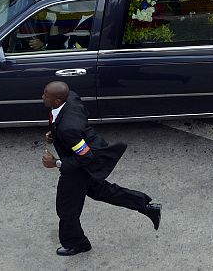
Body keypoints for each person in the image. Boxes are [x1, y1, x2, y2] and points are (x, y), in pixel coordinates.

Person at [41, 81, 161, 256]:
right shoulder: (71, 98)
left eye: (46, 95)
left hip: (78, 168)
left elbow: (85, 156)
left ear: (58, 101)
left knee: (66, 209)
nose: (42, 97)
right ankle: (147, 207)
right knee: (102, 191)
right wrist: (54, 132)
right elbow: (79, 117)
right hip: (84, 152)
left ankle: (77, 243)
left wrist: (56, 163)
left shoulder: (69, 129)